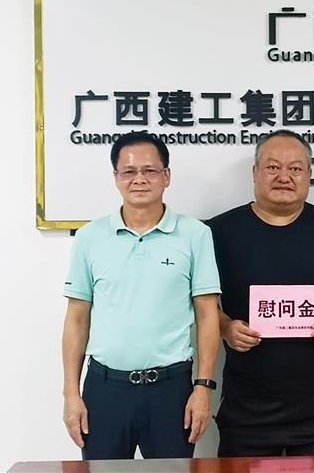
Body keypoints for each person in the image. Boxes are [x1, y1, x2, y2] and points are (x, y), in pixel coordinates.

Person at [207, 129, 314, 457]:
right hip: (246, 402)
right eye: (272, 167)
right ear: (255, 172)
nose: (284, 177)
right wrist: (224, 326)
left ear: (309, 176)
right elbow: (202, 300)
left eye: (295, 168)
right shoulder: (219, 231)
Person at [61, 131, 221, 460]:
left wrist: (203, 388)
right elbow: (77, 319)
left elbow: (208, 315)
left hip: (171, 390)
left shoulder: (195, 235)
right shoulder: (90, 237)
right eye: (129, 171)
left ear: (167, 176)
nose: (139, 180)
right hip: (104, 389)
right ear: (116, 177)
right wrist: (71, 394)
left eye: (150, 170)